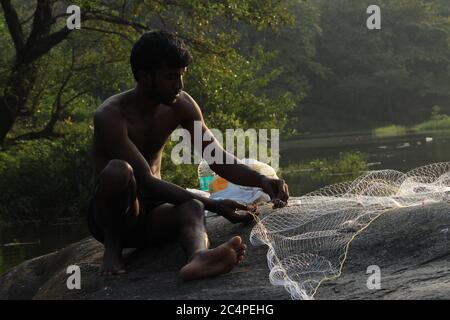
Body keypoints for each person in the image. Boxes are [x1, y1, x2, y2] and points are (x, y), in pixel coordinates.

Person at [88, 30, 289, 280]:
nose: (179, 85)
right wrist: (215, 204)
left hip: (153, 214)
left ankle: (198, 258)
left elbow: (216, 157)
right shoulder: (110, 115)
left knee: (192, 204)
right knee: (119, 171)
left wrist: (262, 181)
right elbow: (145, 181)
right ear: (144, 77)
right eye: (169, 77)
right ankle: (113, 247)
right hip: (116, 215)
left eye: (181, 76)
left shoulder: (181, 104)